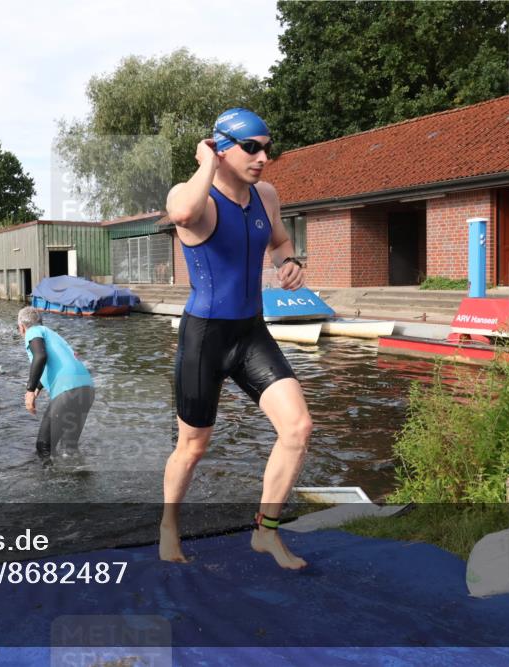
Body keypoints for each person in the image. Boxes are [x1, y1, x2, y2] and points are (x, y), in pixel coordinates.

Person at [159, 108, 312, 569]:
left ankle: (265, 533)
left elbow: (281, 240)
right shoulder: (193, 197)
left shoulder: (266, 195)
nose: (263, 157)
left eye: (267, 147)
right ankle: (168, 526)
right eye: (251, 148)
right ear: (220, 148)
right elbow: (182, 213)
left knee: (298, 428)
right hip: (205, 337)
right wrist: (207, 161)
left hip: (250, 332)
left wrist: (292, 262)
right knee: (193, 447)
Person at [16, 307, 94, 459]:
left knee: (43, 446)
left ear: (22, 327)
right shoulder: (55, 336)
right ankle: (81, 479)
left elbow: (40, 357)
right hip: (87, 389)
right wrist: (39, 387)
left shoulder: (32, 331)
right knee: (69, 447)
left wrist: (30, 391)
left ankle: (46, 482)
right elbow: (60, 363)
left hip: (67, 389)